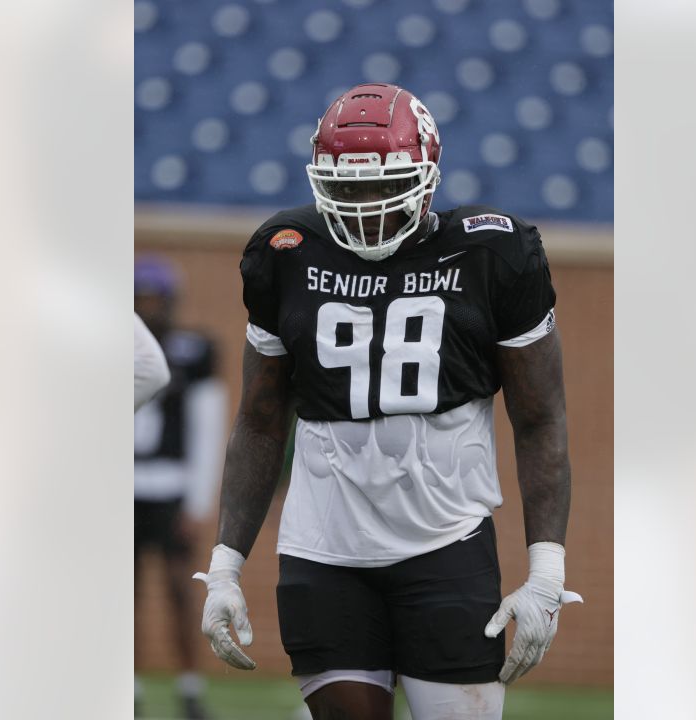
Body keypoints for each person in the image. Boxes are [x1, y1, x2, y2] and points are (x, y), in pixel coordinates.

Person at [193, 83, 580, 720]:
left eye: (382, 185)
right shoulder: (284, 252)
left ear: (426, 177)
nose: (365, 204)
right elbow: (260, 420)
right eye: (346, 189)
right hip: (325, 551)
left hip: (446, 542)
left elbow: (540, 417)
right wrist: (227, 565)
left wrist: (547, 570)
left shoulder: (492, 253)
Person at [134, 258, 225, 720]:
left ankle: (190, 687)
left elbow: (207, 429)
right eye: (140, 299)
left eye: (154, 298)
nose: (148, 307)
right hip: (124, 486)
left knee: (178, 589)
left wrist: (198, 501)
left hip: (170, 485)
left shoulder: (193, 349)